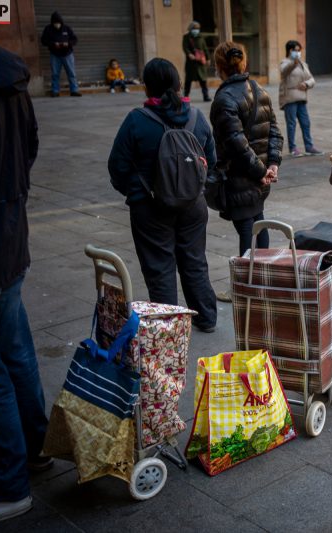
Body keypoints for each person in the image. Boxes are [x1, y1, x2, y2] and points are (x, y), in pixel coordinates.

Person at [0, 44, 49, 525]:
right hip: (11, 238)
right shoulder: (11, 81)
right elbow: (29, 146)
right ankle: (38, 448)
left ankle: (11, 483)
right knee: (19, 355)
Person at [108, 58, 217, 332]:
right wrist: (194, 189)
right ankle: (206, 317)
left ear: (147, 87)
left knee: (160, 269)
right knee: (194, 262)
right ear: (178, 83)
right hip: (193, 206)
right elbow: (212, 160)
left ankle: (170, 328)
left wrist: (137, 193)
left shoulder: (137, 120)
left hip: (151, 207)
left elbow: (117, 167)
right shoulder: (196, 117)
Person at [211, 41, 283, 303]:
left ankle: (246, 289)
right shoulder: (259, 89)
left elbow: (236, 145)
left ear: (219, 66)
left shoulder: (224, 99)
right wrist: (271, 165)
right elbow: (274, 131)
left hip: (243, 178)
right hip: (259, 177)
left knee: (247, 228)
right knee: (257, 222)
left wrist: (263, 170)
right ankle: (260, 279)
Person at [279, 40, 320, 157]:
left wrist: (306, 84)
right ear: (289, 50)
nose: (297, 52)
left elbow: (312, 79)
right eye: (295, 50)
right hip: (290, 99)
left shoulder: (303, 64)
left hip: (302, 98)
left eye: (298, 50)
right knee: (291, 124)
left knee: (306, 123)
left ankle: (309, 146)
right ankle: (293, 148)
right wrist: (293, 63)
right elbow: (284, 72)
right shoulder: (285, 62)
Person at [40, 12, 81, 97]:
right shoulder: (48, 29)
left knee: (71, 73)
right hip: (55, 55)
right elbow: (44, 41)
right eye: (55, 23)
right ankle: (55, 91)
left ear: (61, 22)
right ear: (52, 22)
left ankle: (74, 90)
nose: (57, 25)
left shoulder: (67, 28)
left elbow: (75, 39)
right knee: (55, 74)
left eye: (58, 23)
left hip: (67, 54)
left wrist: (68, 43)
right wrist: (53, 44)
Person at [183, 21, 211, 102]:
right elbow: (185, 47)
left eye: (197, 28)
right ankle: (186, 96)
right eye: (194, 28)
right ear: (191, 29)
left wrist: (208, 58)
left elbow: (205, 48)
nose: (196, 30)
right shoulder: (186, 37)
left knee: (203, 80)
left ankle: (206, 96)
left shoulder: (201, 37)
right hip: (191, 63)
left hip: (200, 62)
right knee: (188, 80)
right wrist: (189, 54)